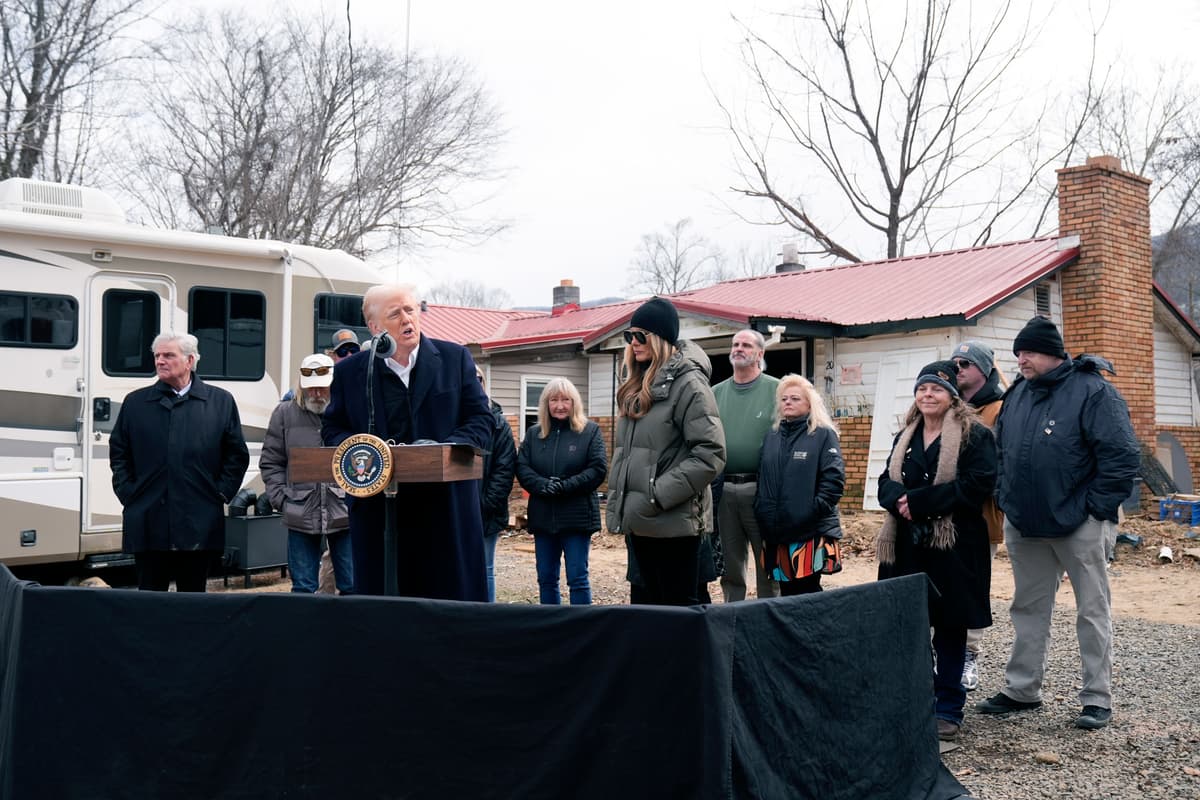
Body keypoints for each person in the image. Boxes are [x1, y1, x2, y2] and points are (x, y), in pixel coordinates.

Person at [976, 316, 1139, 731]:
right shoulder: (1018, 394)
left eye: (1027, 352)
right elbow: (1001, 451)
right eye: (1018, 353)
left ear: (1052, 352)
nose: (1020, 359)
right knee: (1028, 607)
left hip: (1079, 522)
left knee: (1092, 610)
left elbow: (1121, 457)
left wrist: (1097, 510)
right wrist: (1005, 497)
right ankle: (1022, 689)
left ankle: (1097, 698)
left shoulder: (1094, 392)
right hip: (1025, 522)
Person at [321, 284, 493, 600]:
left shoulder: (454, 360)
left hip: (445, 508)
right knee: (386, 604)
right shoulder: (350, 372)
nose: (406, 319)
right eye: (395, 313)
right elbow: (332, 428)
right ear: (374, 327)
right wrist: (361, 450)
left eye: (411, 309)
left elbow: (481, 420)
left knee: (447, 602)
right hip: (378, 511)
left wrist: (446, 450)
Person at [876, 360, 996, 741]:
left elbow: (978, 485)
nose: (928, 395)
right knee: (908, 625)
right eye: (923, 388)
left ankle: (948, 707)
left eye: (937, 389)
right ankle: (917, 696)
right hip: (908, 547)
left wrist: (922, 501)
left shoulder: (975, 435)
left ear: (953, 396)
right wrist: (900, 501)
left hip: (954, 546)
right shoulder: (904, 436)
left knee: (949, 628)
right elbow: (884, 482)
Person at [606, 297, 726, 606]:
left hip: (674, 526)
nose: (633, 343)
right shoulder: (635, 384)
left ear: (661, 338)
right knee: (646, 618)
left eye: (641, 335)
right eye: (629, 336)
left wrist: (657, 494)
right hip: (641, 522)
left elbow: (710, 454)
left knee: (679, 620)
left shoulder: (690, 384)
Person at [109, 332, 250, 592]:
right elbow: (119, 452)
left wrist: (220, 492)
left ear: (190, 360)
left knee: (193, 597)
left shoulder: (219, 402)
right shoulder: (136, 403)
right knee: (149, 598)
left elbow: (236, 455)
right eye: (157, 355)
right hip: (148, 517)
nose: (160, 361)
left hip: (199, 520)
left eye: (168, 355)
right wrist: (128, 493)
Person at [260, 354, 353, 594]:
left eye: (322, 388)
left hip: (344, 510)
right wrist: (283, 499)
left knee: (353, 586)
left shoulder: (349, 411)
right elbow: (271, 461)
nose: (316, 394)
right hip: (299, 510)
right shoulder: (284, 413)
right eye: (310, 388)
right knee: (302, 588)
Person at [516, 378, 608, 605]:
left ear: (574, 402)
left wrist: (564, 487)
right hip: (543, 517)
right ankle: (552, 630)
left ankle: (582, 630)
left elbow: (597, 469)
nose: (559, 405)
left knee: (578, 578)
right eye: (554, 400)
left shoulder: (590, 431)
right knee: (546, 579)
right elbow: (522, 466)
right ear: (546, 404)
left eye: (565, 399)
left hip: (576, 518)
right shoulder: (534, 434)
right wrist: (542, 485)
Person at [754, 374, 845, 595]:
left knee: (808, 595)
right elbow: (762, 477)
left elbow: (833, 481)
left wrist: (810, 511)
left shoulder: (823, 435)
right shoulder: (772, 436)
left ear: (809, 404)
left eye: (795, 398)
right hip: (777, 532)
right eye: (784, 399)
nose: (788, 402)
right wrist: (761, 509)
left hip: (808, 533)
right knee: (786, 595)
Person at [951, 340, 1006, 691]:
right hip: (943, 514)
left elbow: (998, 465)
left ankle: (970, 653)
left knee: (972, 588)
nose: (958, 369)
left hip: (980, 514)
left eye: (965, 363)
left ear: (983, 370)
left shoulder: (998, 409)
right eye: (954, 362)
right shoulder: (947, 405)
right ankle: (941, 654)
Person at [712, 329, 780, 602]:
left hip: (762, 490)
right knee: (730, 566)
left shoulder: (777, 390)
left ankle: (768, 618)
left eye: (747, 345)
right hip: (724, 489)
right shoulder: (715, 393)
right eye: (735, 344)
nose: (739, 348)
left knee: (768, 564)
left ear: (760, 353)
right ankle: (733, 618)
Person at [316, 331, 363, 593]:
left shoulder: (364, 384)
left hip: (357, 488)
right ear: (332, 355)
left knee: (350, 571)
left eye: (353, 351)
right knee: (331, 561)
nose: (348, 356)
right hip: (323, 494)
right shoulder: (314, 390)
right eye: (343, 352)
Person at [477, 366, 517, 602]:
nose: (473, 382)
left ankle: (486, 619)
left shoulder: (499, 424)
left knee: (485, 569)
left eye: (478, 378)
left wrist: (484, 504)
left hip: (487, 512)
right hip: (456, 511)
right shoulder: (450, 419)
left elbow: (504, 470)